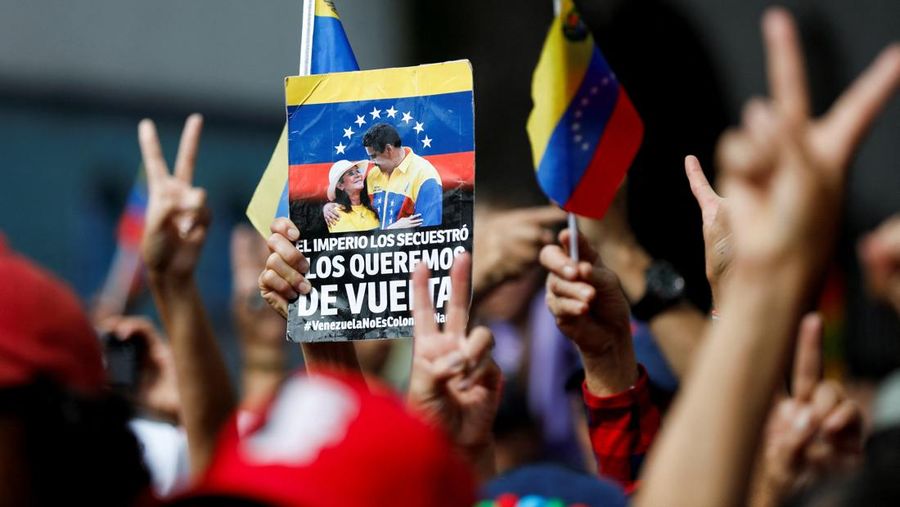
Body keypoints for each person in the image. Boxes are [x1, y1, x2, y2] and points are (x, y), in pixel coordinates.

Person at [324, 123, 443, 230]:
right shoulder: (372, 173)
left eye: (374, 156)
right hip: (374, 252)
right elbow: (348, 196)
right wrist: (328, 207)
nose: (372, 161)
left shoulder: (424, 175)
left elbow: (429, 234)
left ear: (388, 149)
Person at [324, 159, 379, 233]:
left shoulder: (372, 210)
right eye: (351, 173)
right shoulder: (335, 213)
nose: (358, 175)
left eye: (358, 171)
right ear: (340, 185)